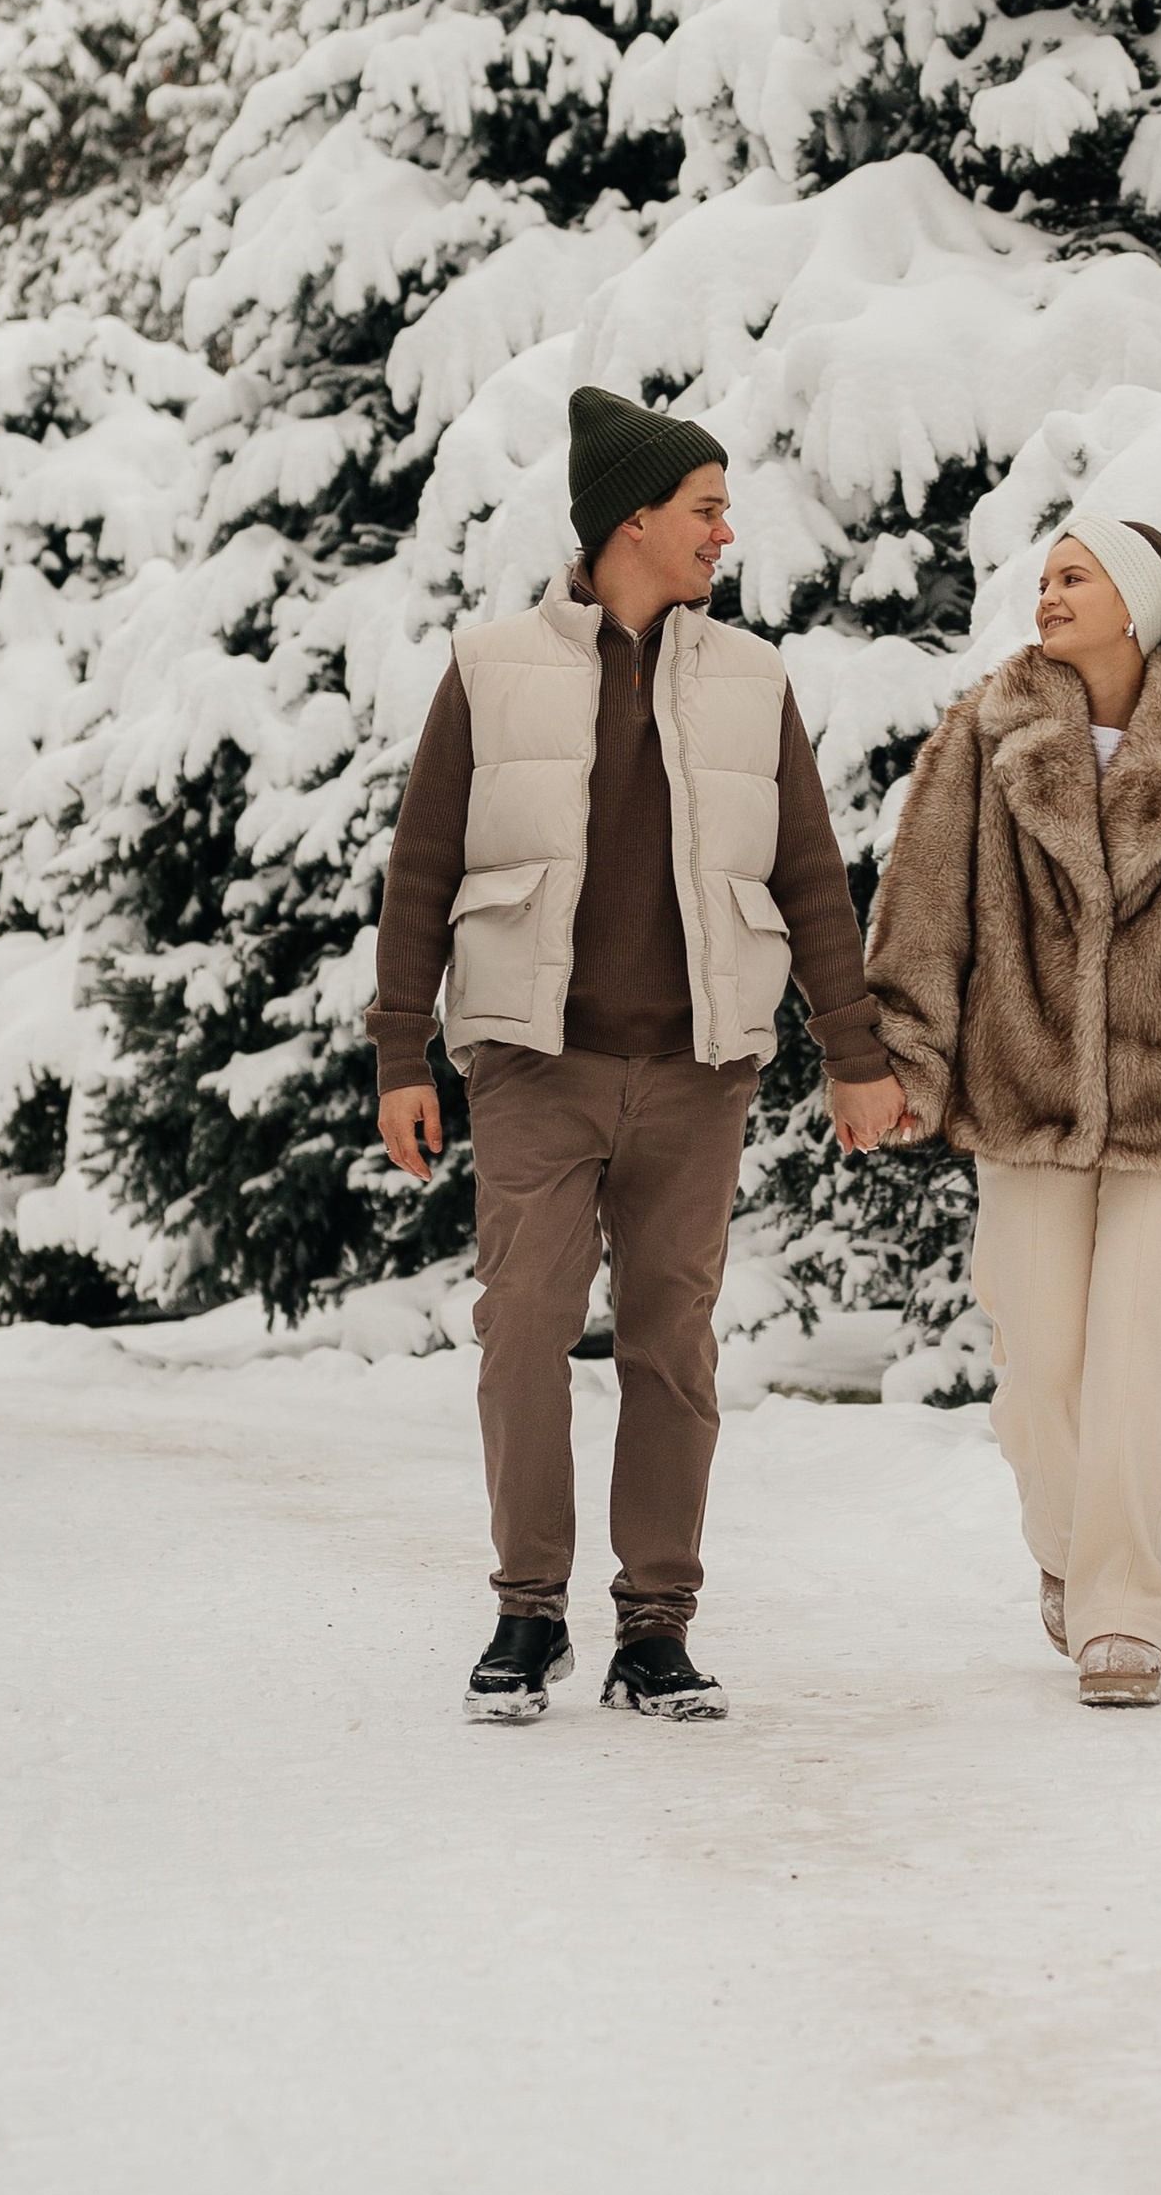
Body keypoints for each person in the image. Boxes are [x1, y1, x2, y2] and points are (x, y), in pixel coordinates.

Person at [371, 386, 908, 1724]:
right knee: (522, 1334)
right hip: (533, 1066)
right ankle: (527, 1614)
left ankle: (656, 1627)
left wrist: (855, 1051)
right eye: (707, 508)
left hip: (697, 1069)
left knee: (673, 1346)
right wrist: (401, 1056)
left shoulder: (751, 677)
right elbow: (423, 868)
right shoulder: (491, 667)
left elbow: (809, 875)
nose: (728, 532)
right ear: (633, 520)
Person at [864, 515, 1161, 1708]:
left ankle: (1123, 1606)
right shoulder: (986, 731)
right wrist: (907, 1061)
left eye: (1073, 576)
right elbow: (924, 907)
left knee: (1139, 1353)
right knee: (1038, 1362)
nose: (1047, 594)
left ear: (1134, 600)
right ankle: (1070, 1551)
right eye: (1044, 577)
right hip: (1024, 1093)